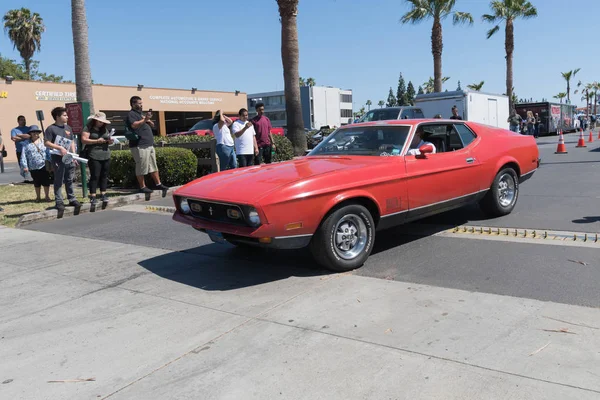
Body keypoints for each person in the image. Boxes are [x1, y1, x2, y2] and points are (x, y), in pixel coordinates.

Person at [126, 96, 168, 195]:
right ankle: (142, 187)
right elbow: (134, 125)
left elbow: (152, 125)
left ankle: (158, 184)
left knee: (153, 165)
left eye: (141, 103)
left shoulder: (140, 114)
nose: (141, 105)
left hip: (148, 144)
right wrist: (145, 120)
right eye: (139, 103)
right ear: (133, 104)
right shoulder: (131, 114)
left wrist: (148, 120)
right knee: (141, 166)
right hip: (139, 145)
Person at [44, 107, 81, 211]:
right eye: (64, 115)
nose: (67, 117)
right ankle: (59, 201)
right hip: (57, 158)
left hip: (69, 157)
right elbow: (46, 142)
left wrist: (74, 155)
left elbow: (72, 141)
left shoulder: (68, 128)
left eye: (66, 115)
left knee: (69, 179)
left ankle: (71, 198)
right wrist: (59, 148)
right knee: (58, 179)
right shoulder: (51, 129)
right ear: (57, 117)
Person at [82, 112, 113, 207]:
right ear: (95, 120)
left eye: (102, 122)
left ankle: (103, 194)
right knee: (95, 175)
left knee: (104, 175)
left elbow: (108, 139)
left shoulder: (104, 129)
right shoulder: (88, 128)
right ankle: (93, 196)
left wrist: (110, 141)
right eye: (99, 121)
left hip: (105, 154)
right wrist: (96, 141)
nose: (101, 123)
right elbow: (84, 140)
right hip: (94, 154)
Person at [19, 125, 52, 202]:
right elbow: (23, 155)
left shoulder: (44, 142)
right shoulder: (26, 144)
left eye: (37, 132)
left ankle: (47, 196)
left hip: (44, 165)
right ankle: (38, 197)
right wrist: (25, 166)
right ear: (30, 133)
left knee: (46, 181)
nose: (35, 134)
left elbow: (48, 153)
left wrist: (51, 163)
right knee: (36, 182)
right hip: (33, 166)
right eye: (33, 132)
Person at [11, 115, 32, 183]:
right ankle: (26, 179)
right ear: (18, 121)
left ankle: (33, 178)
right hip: (20, 150)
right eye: (22, 120)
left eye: (24, 119)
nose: (24, 121)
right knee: (22, 165)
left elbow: (30, 136)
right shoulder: (14, 130)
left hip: (29, 150)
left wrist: (19, 135)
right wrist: (25, 137)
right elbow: (13, 138)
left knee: (30, 163)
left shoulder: (29, 128)